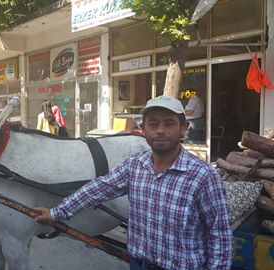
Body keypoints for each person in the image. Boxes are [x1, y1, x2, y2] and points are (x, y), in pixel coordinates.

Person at [35, 95, 232, 270]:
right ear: (143, 129)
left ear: (183, 128)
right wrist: (56, 213)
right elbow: (97, 189)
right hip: (138, 264)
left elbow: (219, 236)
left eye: (169, 123)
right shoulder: (135, 166)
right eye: (153, 124)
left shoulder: (203, 176)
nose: (160, 131)